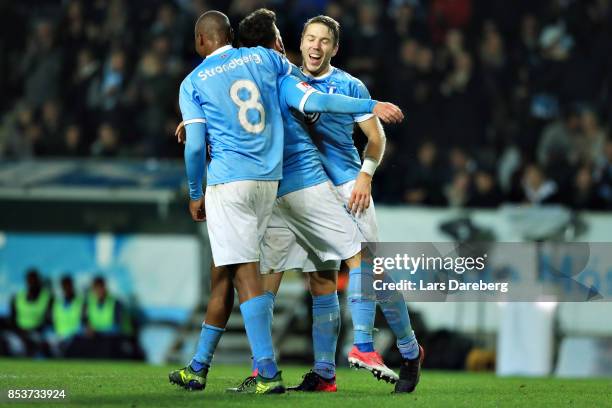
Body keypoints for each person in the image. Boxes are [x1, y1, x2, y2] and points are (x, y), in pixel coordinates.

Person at [168, 10, 293, 394]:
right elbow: (293, 88)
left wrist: (194, 192)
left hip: (229, 183)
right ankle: (198, 367)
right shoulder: (264, 58)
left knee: (242, 274)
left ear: (202, 41)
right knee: (221, 272)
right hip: (268, 180)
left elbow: (193, 149)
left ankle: (268, 372)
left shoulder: (193, 82)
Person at [297, 15, 423, 393]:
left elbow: (375, 136)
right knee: (320, 277)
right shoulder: (286, 80)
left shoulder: (349, 85)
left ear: (334, 48)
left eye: (324, 41)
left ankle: (409, 350)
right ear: (301, 42)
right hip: (308, 194)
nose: (316, 46)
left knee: (372, 273)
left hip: (350, 188)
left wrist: (365, 176)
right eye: (310, 38)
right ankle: (324, 372)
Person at [9, 268, 52, 356]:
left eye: (34, 280)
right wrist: (20, 332)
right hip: (19, 334)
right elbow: (12, 319)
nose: (32, 283)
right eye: (30, 280)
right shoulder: (18, 297)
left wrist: (33, 331)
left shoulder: (47, 297)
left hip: (39, 334)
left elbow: (49, 320)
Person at [52, 275, 84, 342]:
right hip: (60, 339)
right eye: (64, 286)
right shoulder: (57, 304)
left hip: (77, 339)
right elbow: (54, 321)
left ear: (72, 286)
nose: (66, 288)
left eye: (68, 286)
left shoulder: (81, 302)